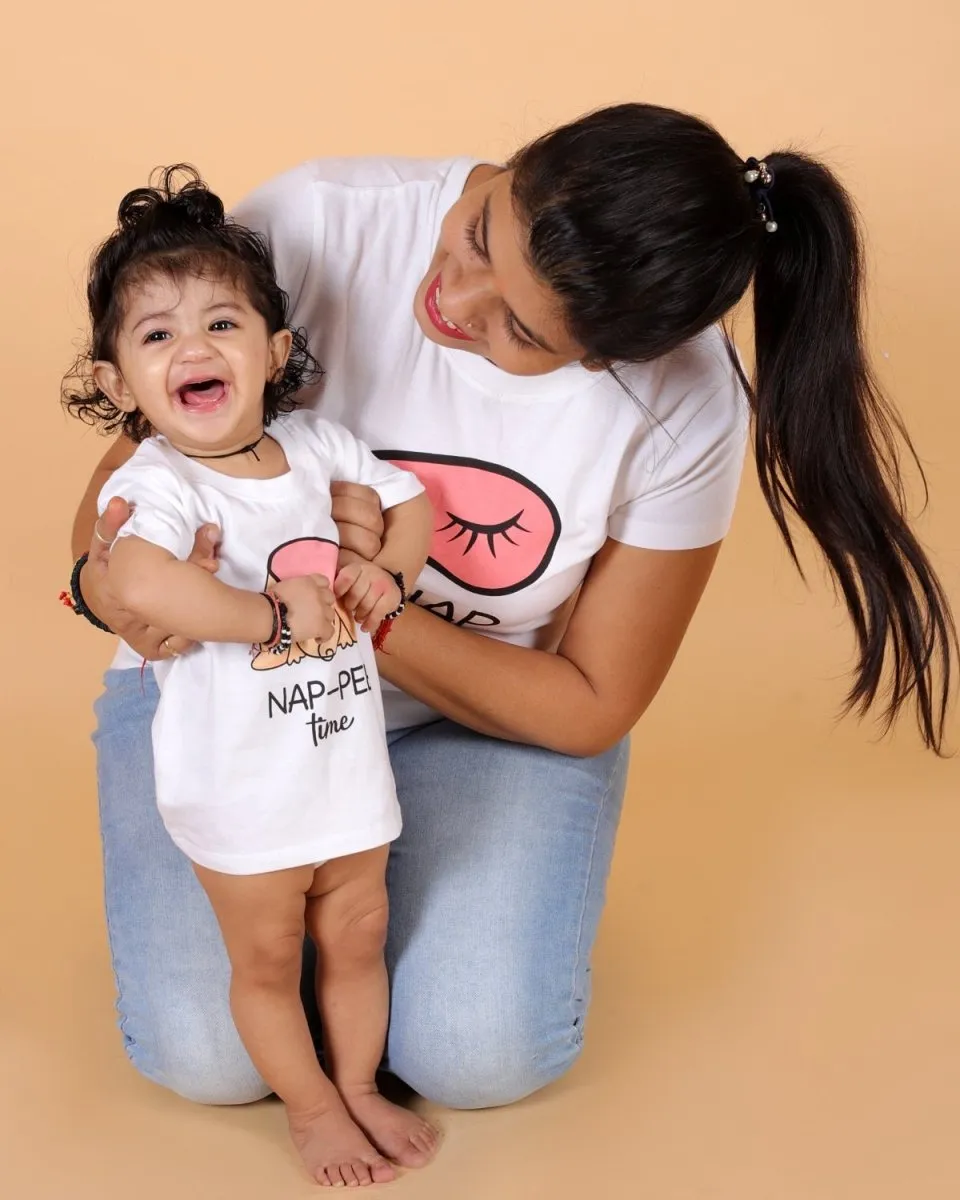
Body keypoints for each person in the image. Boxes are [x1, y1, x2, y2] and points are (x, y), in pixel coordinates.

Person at [66, 103, 956, 1116]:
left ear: (611, 358)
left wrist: (362, 607)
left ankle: (383, 921)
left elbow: (586, 703)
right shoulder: (318, 222)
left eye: (521, 330)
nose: (455, 298)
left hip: (477, 722)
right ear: (517, 166)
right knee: (205, 1056)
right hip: (227, 705)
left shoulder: (683, 403)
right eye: (483, 231)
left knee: (477, 1052)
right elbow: (116, 515)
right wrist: (123, 595)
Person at [64, 168, 438, 1186]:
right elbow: (136, 576)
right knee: (268, 959)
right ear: (116, 385)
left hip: (344, 776)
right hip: (241, 792)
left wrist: (383, 574)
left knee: (358, 937)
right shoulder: (160, 482)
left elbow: (413, 509)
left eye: (222, 323)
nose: (194, 348)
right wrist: (263, 615)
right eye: (155, 336)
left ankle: (358, 1084)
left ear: (273, 354)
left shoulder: (320, 447)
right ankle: (313, 1108)